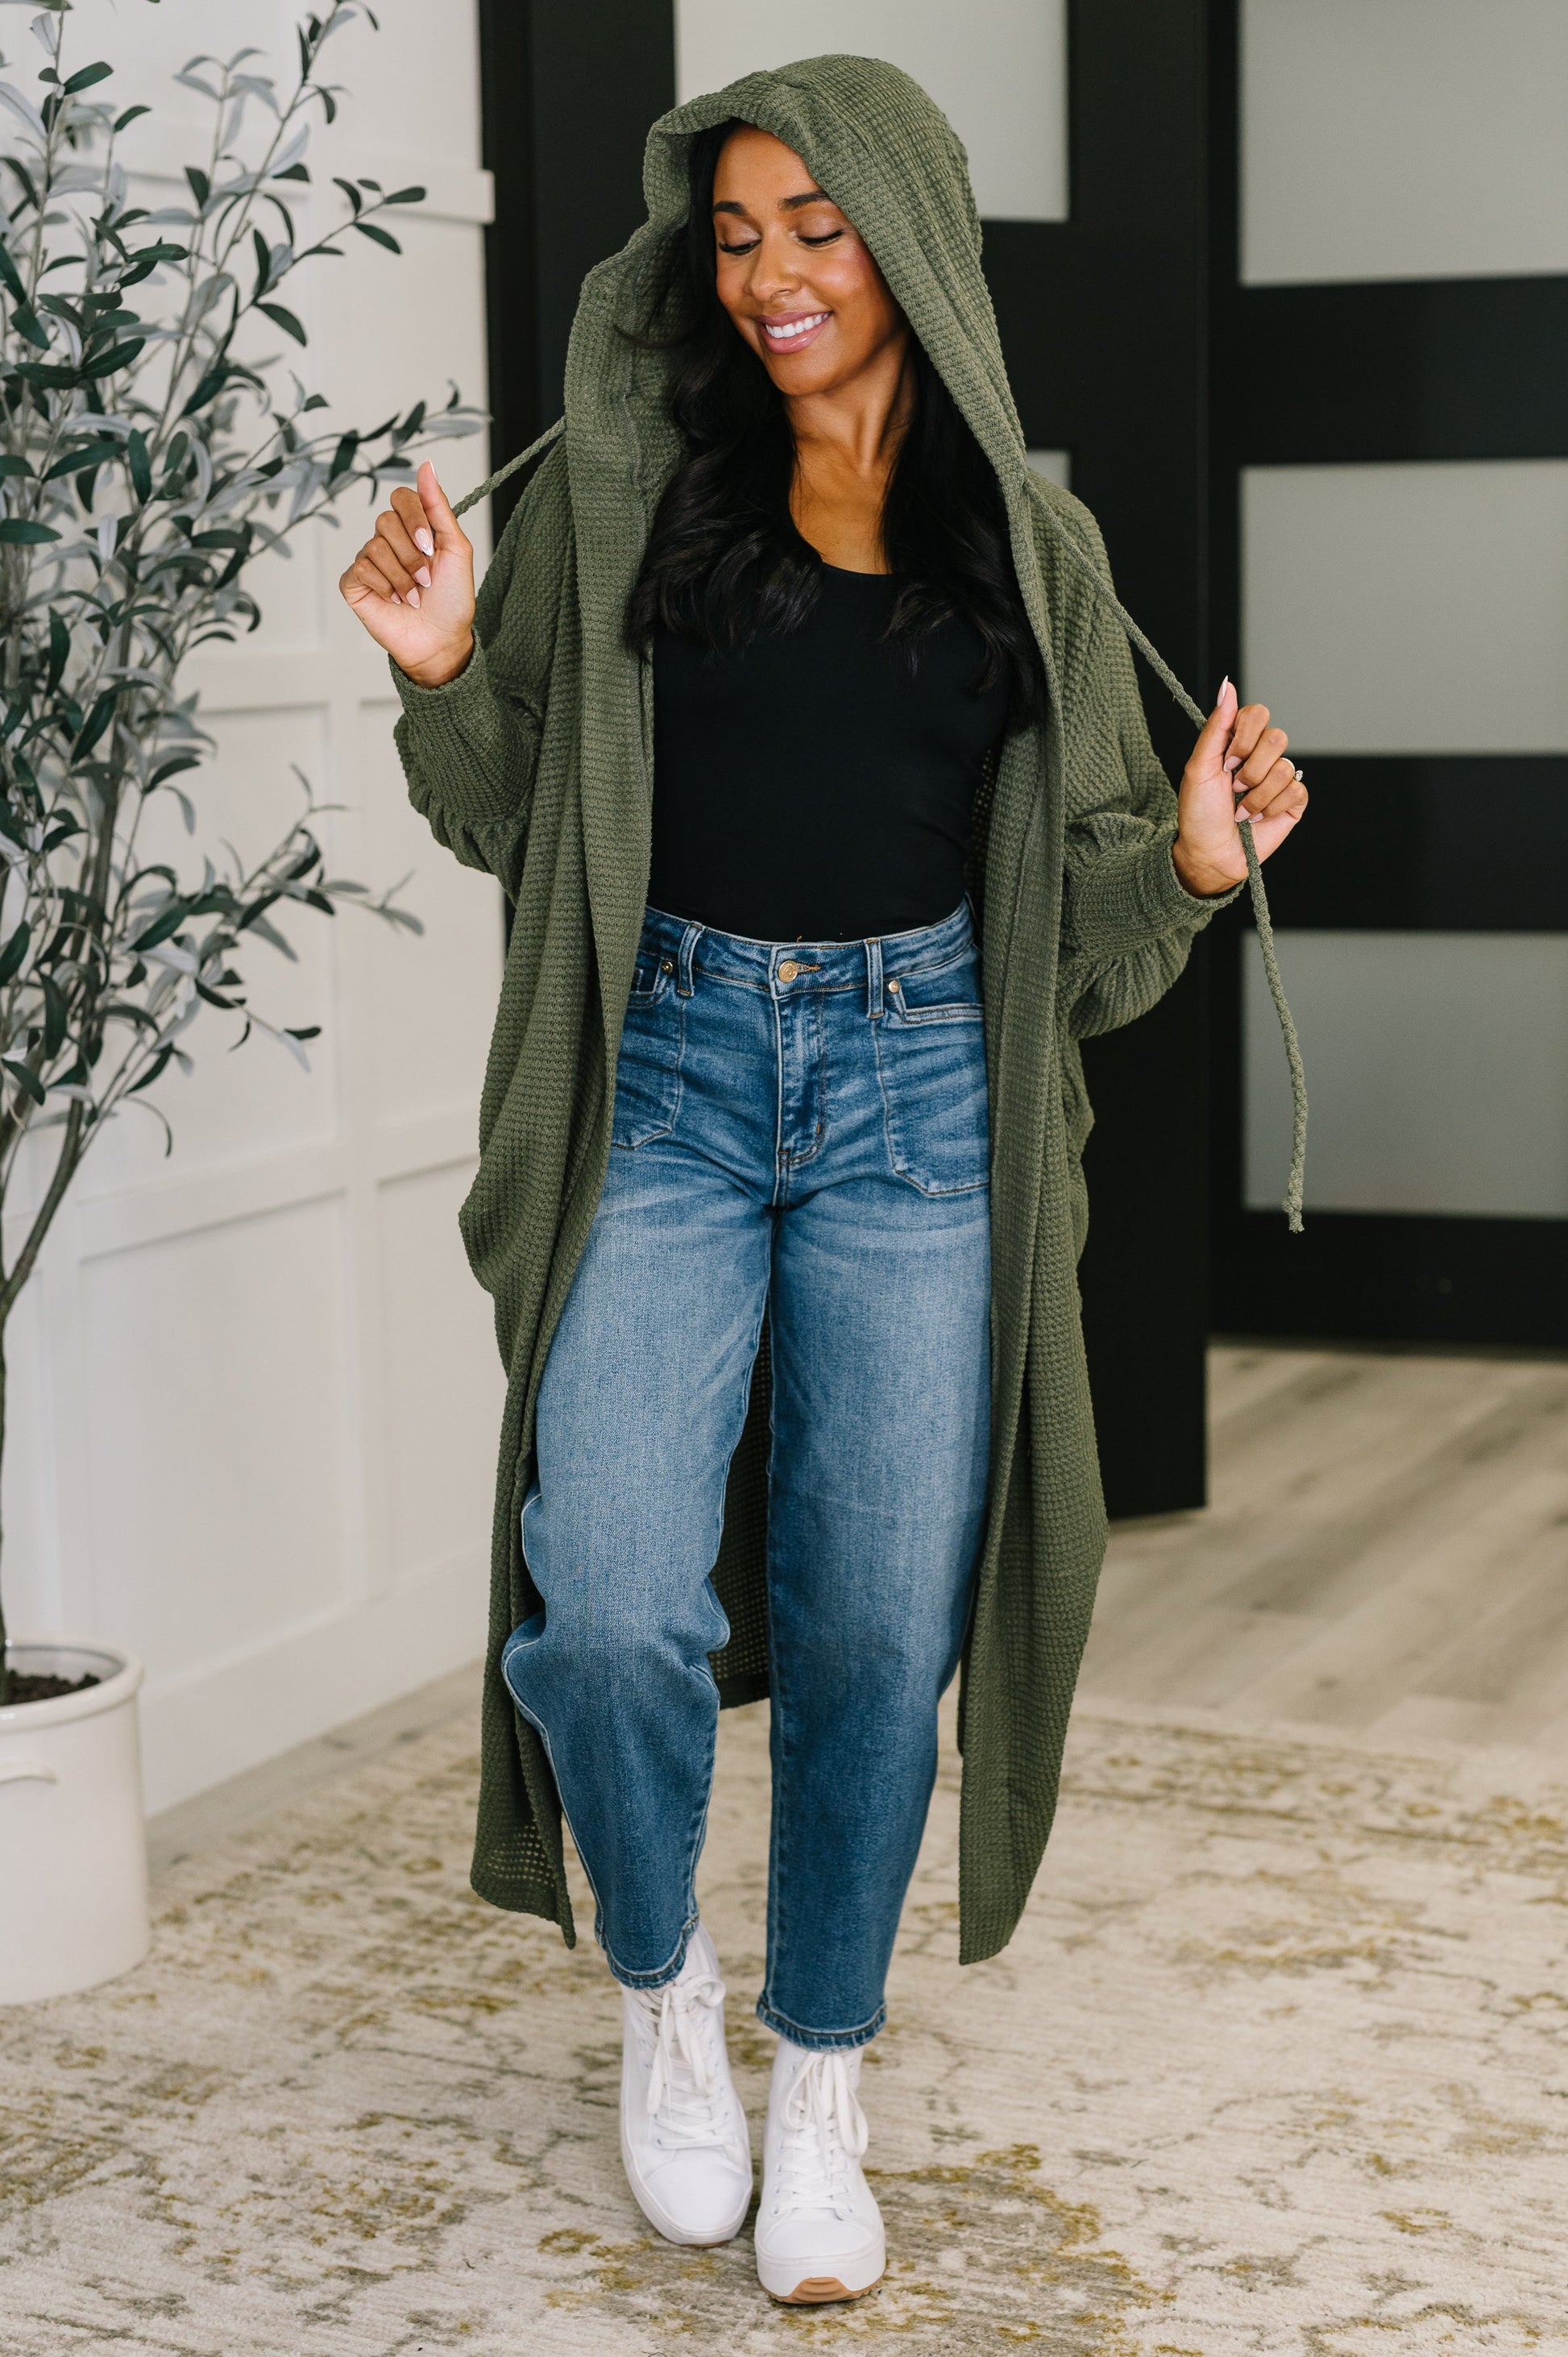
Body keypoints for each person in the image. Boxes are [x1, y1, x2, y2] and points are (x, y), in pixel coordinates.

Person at [339, 56, 1306, 2308]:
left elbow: (1073, 944)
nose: (769, 274)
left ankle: (821, 2072)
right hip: (668, 1087)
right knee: (607, 1602)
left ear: (909, 238)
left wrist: (1185, 860)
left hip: (915, 1109)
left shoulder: (1028, 555)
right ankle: (665, 1989)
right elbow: (516, 823)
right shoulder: (632, 493)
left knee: (880, 1626)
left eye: (815, 228)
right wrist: (448, 668)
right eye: (736, 235)